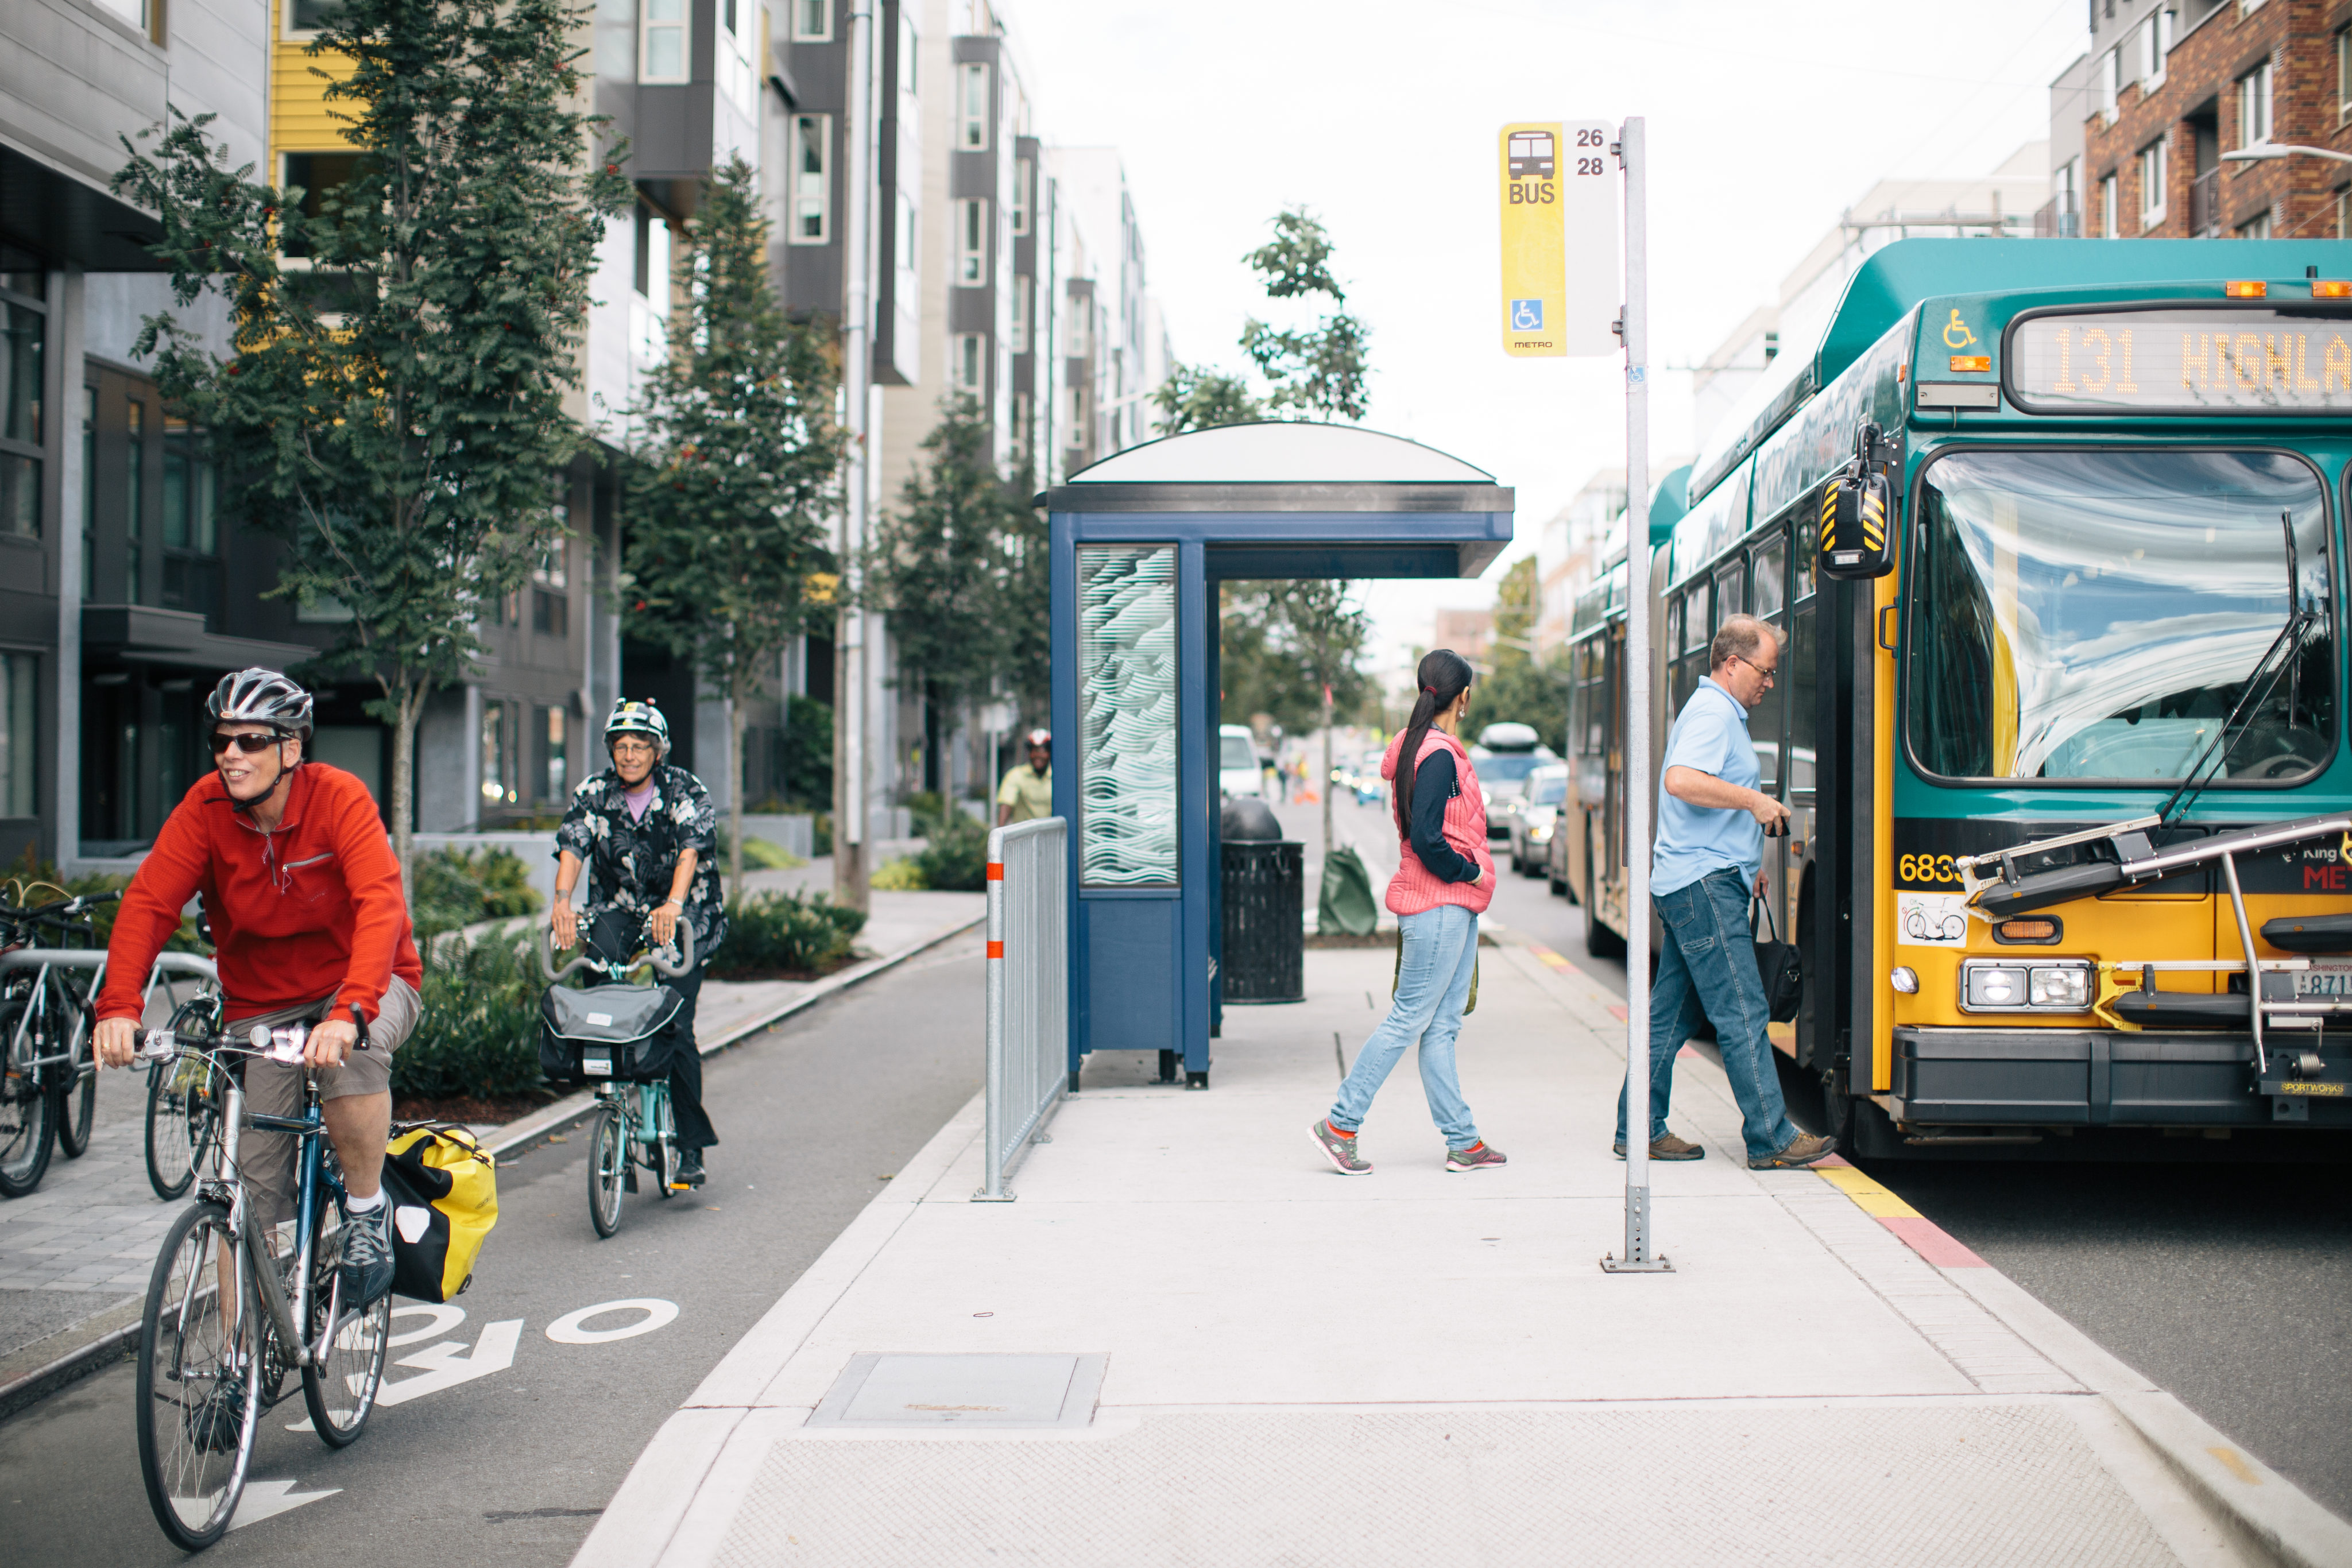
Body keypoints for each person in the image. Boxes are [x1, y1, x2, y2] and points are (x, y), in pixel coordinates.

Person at [93, 668, 421, 1310]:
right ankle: (234, 1369)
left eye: (250, 741)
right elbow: (150, 903)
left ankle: (364, 1211)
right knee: (245, 1191)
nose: (231, 756)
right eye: (222, 741)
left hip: (364, 985)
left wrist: (351, 1009)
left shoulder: (339, 798)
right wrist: (119, 1005)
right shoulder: (205, 807)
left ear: (291, 748)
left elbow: (379, 904)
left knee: (349, 1060)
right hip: (262, 1006)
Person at [1618, 613, 1835, 1170]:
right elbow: (1681, 780)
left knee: (1669, 1016)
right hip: (1701, 885)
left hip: (1703, 879)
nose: (1769, 682)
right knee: (1742, 1009)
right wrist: (1754, 804)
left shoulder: (1720, 712)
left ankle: (1637, 1127)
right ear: (1733, 663)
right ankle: (1770, 1137)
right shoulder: (1714, 713)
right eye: (1764, 671)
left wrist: (1747, 859)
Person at [1310, 649, 1506, 1175]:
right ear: (1462, 696)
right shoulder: (1437, 754)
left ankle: (1463, 1141)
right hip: (1439, 903)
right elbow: (1426, 837)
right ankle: (1339, 1124)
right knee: (1409, 1020)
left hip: (1447, 906)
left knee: (1441, 1026)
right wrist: (1468, 870)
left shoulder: (1419, 747)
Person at [552, 699, 727, 1186]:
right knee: (601, 1000)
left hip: (685, 911)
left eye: (639, 747)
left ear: (658, 751)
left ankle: (690, 1145)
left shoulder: (684, 790)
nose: (629, 755)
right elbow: (572, 843)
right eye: (621, 746)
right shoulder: (594, 791)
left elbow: (692, 847)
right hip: (619, 908)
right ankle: (615, 1108)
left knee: (677, 1023)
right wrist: (562, 902)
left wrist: (672, 904)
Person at [996, 729, 1052, 826]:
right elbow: (1006, 804)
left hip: (1050, 836)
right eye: (1034, 750)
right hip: (1026, 838)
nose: (1038, 755)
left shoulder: (1057, 779)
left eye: (1043, 751)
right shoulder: (1016, 775)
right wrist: (999, 833)